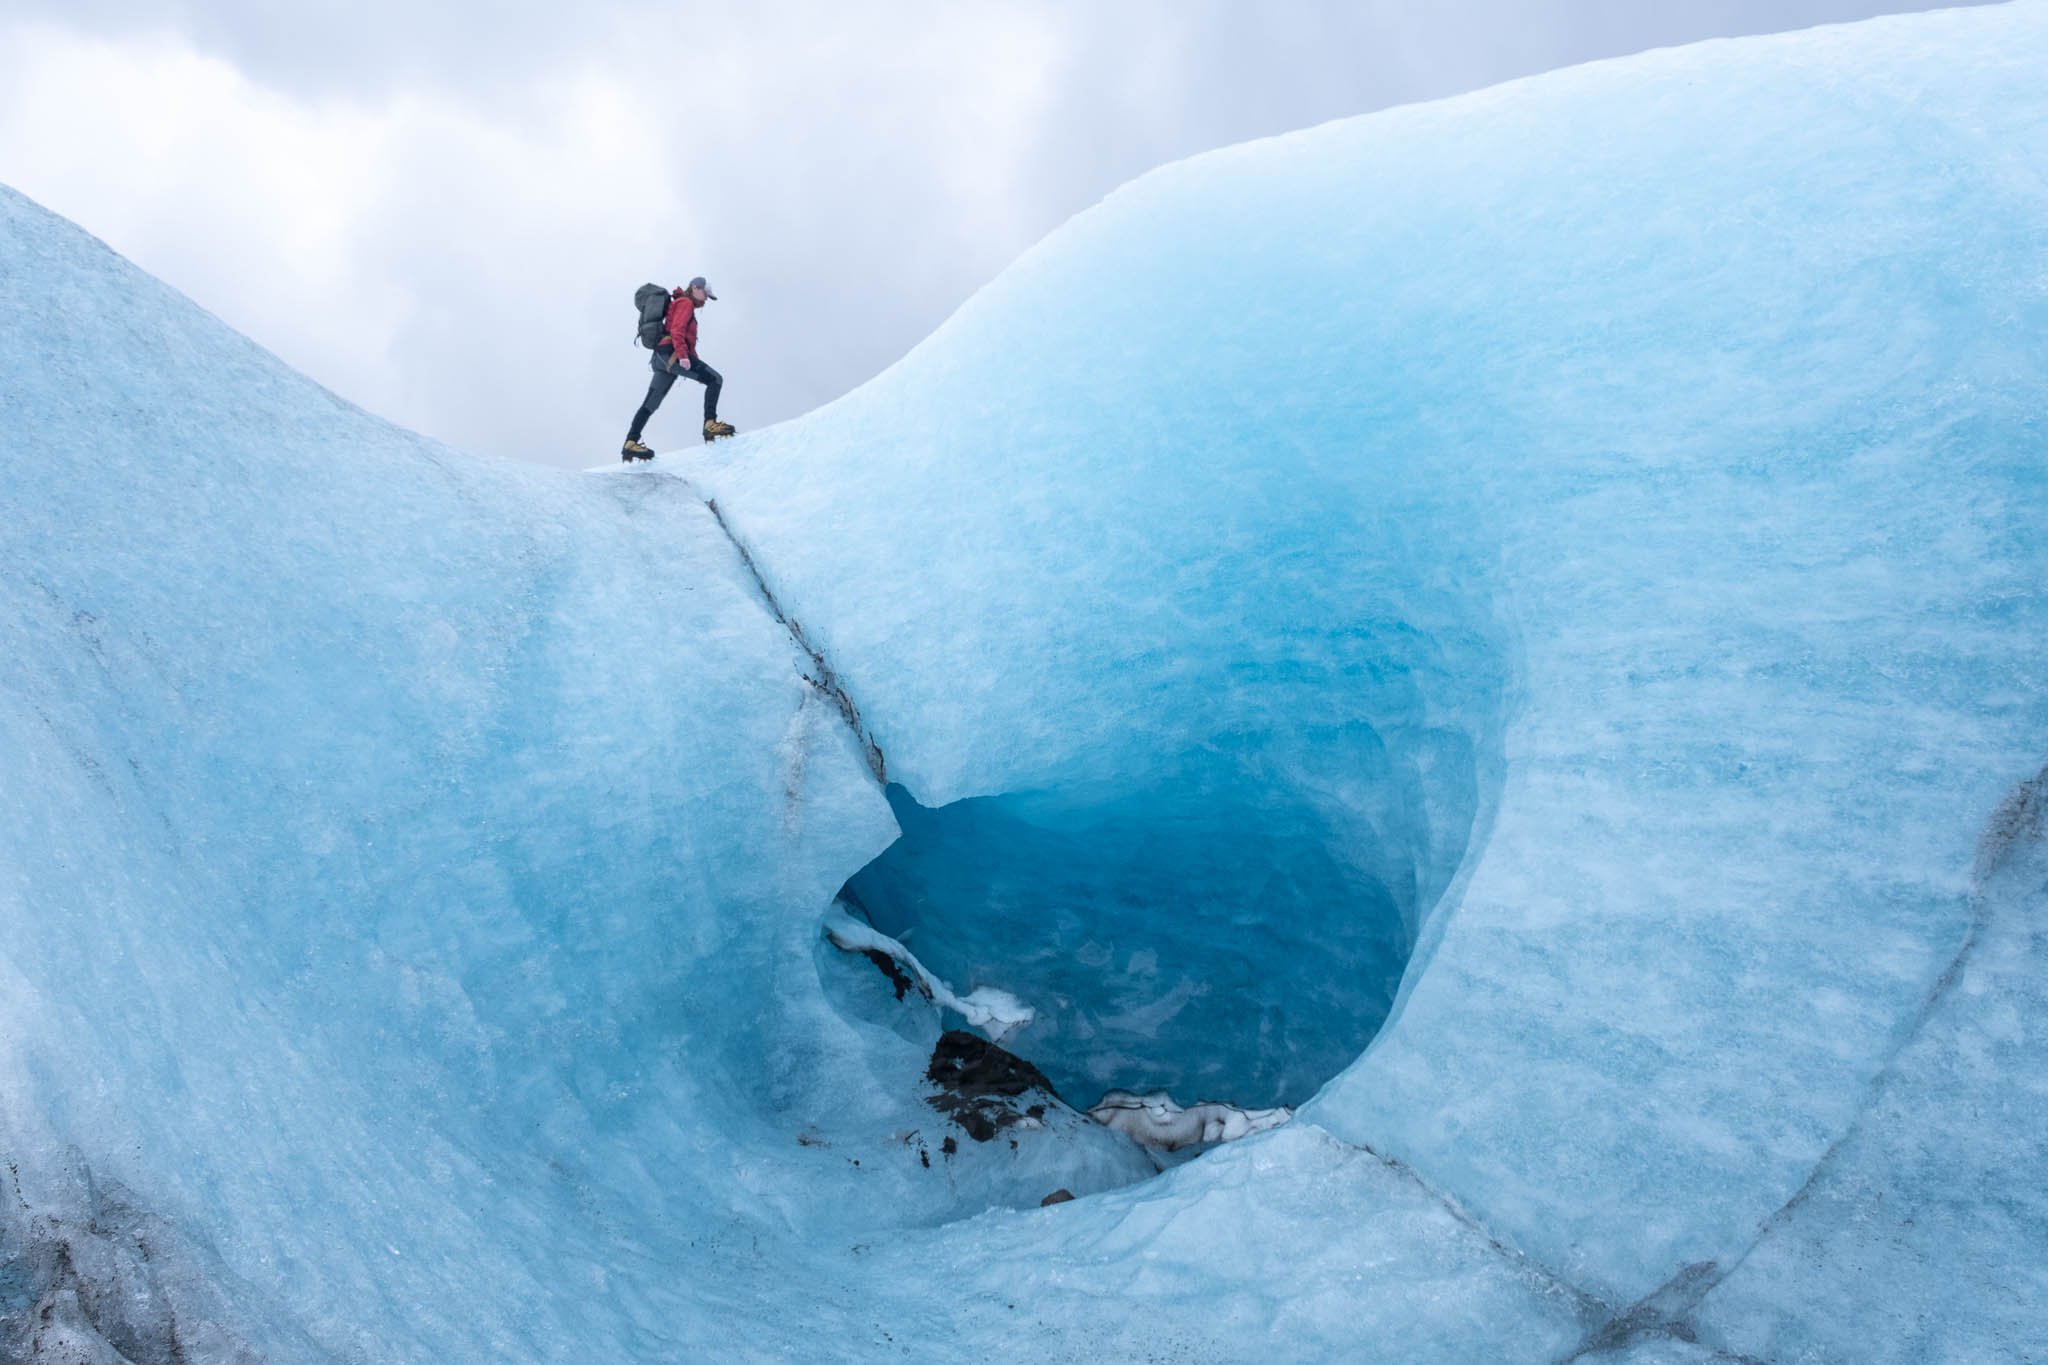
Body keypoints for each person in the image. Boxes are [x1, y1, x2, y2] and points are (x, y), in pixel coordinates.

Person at [622, 276, 735, 459]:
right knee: (715, 380)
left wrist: (691, 358)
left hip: (661, 358)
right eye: (705, 294)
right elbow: (677, 330)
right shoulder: (685, 303)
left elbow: (685, 340)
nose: (706, 299)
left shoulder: (680, 303)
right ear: (695, 288)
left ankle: (630, 443)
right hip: (672, 356)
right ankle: (710, 424)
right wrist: (683, 357)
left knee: (650, 403)